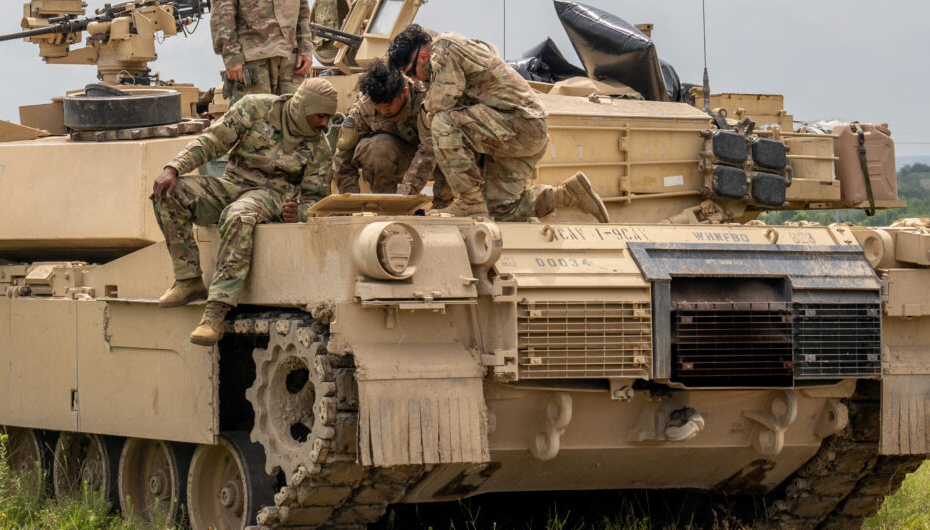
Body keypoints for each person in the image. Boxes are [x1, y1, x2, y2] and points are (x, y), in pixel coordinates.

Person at [151, 75, 340, 345]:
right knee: (169, 193)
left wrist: (297, 214)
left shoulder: (320, 148)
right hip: (232, 185)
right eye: (320, 116)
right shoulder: (254, 108)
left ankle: (215, 312)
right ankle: (188, 278)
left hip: (272, 196)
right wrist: (173, 168)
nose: (325, 124)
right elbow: (212, 142)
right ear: (302, 107)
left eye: (328, 118)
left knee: (238, 215)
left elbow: (316, 200)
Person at [385, 24, 608, 223]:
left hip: (519, 124)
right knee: (501, 211)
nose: (415, 80)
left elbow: (441, 105)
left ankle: (470, 201)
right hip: (517, 131)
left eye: (411, 74)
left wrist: (427, 110)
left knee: (443, 123)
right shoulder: (446, 63)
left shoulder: (445, 47)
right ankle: (567, 194)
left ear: (423, 57)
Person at [334, 58, 440, 197]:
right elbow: (343, 156)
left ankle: (443, 201)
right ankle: (383, 201)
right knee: (377, 147)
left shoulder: (425, 101)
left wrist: (405, 196)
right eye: (378, 106)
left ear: (404, 92)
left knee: (448, 140)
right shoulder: (364, 107)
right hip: (392, 157)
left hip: (431, 160)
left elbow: (429, 149)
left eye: (389, 105)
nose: (384, 111)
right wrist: (351, 199)